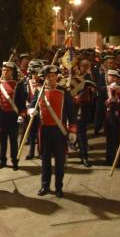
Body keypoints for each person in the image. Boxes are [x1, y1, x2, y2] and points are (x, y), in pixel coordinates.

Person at [36, 65, 76, 198]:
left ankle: (59, 187)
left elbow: (71, 112)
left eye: (53, 76)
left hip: (59, 130)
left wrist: (73, 130)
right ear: (44, 78)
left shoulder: (64, 91)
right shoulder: (39, 91)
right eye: (48, 77)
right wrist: (31, 110)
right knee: (45, 160)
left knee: (59, 161)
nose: (50, 79)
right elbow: (32, 105)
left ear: (57, 77)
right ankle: (45, 185)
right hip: (45, 130)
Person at [0, 61, 26, 171]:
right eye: (3, 70)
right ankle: (3, 160)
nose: (5, 72)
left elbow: (22, 101)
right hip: (1, 116)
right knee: (2, 140)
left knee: (13, 140)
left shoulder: (18, 84)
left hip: (13, 116)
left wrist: (22, 114)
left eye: (7, 70)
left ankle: (14, 161)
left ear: (12, 72)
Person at [104, 69, 120, 168]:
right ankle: (110, 160)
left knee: (119, 140)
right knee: (109, 140)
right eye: (109, 76)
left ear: (118, 79)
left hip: (118, 117)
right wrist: (108, 101)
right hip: (108, 117)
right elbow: (99, 104)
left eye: (114, 77)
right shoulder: (104, 89)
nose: (111, 78)